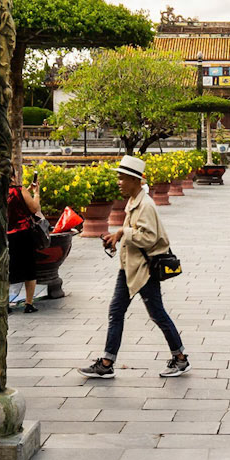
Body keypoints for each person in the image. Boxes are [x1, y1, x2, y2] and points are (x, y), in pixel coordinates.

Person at [80, 154, 188, 379]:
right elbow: (135, 232)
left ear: (135, 180)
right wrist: (117, 237)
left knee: (156, 313)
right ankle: (107, 362)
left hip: (143, 270)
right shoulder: (134, 201)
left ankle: (180, 359)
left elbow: (149, 237)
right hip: (130, 267)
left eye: (122, 178)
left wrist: (122, 232)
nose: (119, 182)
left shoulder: (145, 205)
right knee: (118, 311)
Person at [7, 167, 45, 311]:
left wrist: (27, 191)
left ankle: (5, 304)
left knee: (7, 268)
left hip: (6, 234)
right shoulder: (19, 190)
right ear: (13, 175)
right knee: (29, 268)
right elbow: (34, 208)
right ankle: (29, 303)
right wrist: (36, 193)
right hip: (23, 233)